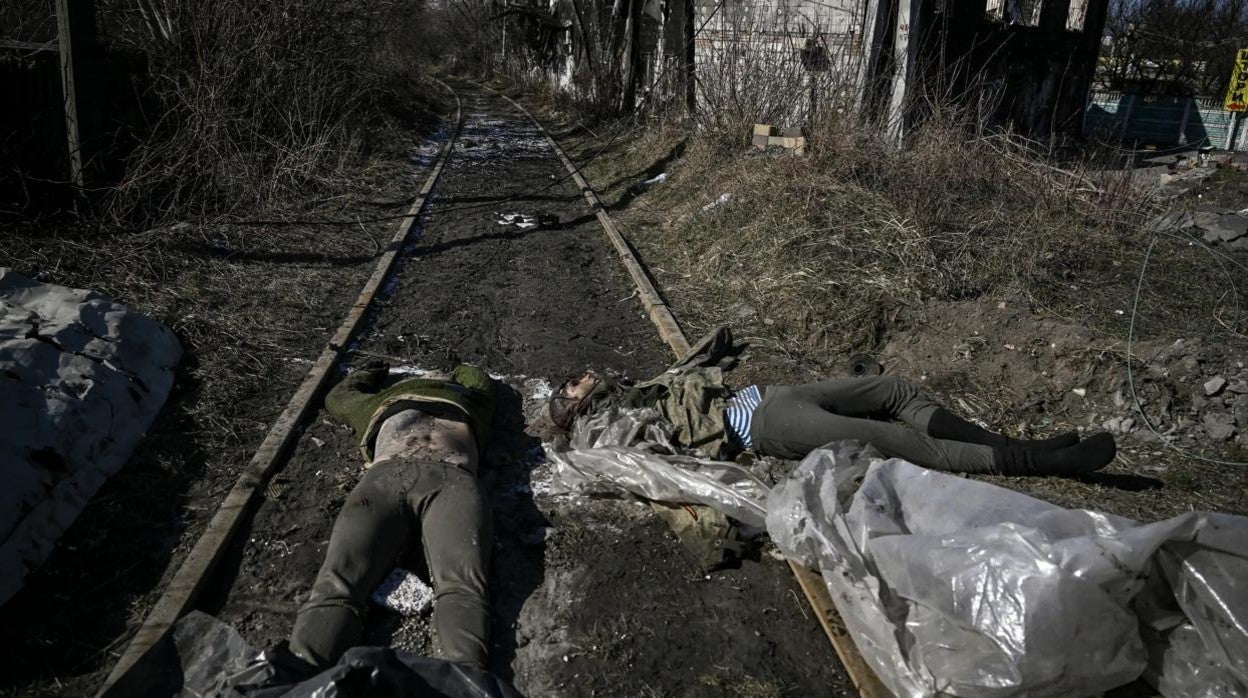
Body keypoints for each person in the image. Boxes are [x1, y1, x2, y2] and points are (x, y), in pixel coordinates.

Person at [549, 329, 1116, 476]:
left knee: (893, 389)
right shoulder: (611, 428)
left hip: (771, 394)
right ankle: (1038, 462)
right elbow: (636, 453)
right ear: (575, 408)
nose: (588, 376)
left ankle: (1011, 445)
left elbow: (690, 369)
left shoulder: (632, 390)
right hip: (766, 425)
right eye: (577, 384)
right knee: (896, 441)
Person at [265, 361, 496, 680]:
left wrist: (369, 371)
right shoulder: (466, 399)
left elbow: (341, 394)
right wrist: (459, 369)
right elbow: (480, 379)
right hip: (440, 476)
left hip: (402, 478)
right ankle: (464, 679)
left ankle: (300, 676)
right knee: (460, 586)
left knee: (339, 583)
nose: (429, 375)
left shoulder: (384, 402)